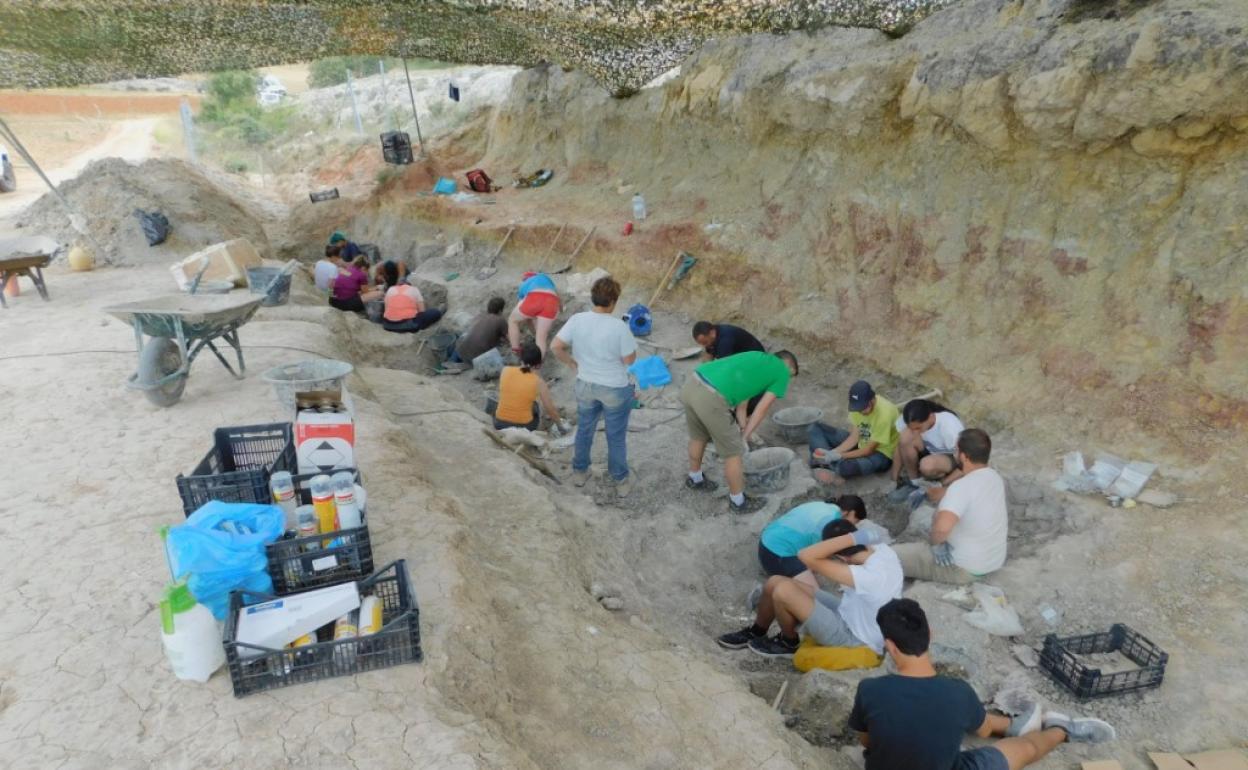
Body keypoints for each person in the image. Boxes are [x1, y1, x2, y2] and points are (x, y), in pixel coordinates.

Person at [848, 599, 1116, 770]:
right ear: (930, 635)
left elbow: (867, 739)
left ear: (890, 647)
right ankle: (1062, 730)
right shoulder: (957, 692)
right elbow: (985, 731)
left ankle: (1021, 726)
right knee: (1026, 750)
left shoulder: (870, 690)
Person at [717, 519, 902, 658]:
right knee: (775, 581)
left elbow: (805, 555)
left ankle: (788, 642)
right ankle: (756, 631)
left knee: (783, 591)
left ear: (842, 558)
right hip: (850, 613)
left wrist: (851, 538)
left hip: (855, 638)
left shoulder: (867, 577)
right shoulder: (882, 551)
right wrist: (855, 538)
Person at [682, 350, 798, 513]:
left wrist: (742, 426)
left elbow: (742, 402)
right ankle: (738, 502)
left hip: (692, 384)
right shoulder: (782, 372)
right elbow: (761, 410)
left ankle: (695, 479)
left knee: (698, 436)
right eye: (791, 376)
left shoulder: (756, 357)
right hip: (711, 398)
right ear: (790, 367)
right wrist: (744, 437)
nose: (788, 381)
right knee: (733, 454)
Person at [551, 276, 638, 495]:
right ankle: (620, 481)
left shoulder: (578, 319)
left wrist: (571, 362)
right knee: (616, 436)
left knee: (585, 429)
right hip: (614, 388)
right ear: (613, 301)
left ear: (593, 298)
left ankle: (580, 472)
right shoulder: (619, 327)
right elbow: (629, 360)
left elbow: (556, 346)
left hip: (586, 384)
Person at [891, 429, 1007, 584]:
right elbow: (960, 495)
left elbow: (941, 528)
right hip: (992, 561)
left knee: (888, 556)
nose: (954, 453)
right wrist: (927, 492)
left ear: (964, 457)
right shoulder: (993, 477)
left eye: (956, 450)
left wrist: (937, 545)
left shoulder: (960, 488)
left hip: (961, 568)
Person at [759, 495, 887, 588]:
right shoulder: (827, 522)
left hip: (767, 539)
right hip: (775, 554)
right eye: (856, 521)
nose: (854, 526)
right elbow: (816, 556)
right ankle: (762, 596)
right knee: (813, 593)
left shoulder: (828, 508)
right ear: (848, 513)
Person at [808, 380, 899, 486]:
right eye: (858, 409)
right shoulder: (857, 407)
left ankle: (824, 466)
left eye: (863, 409)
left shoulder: (885, 414)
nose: (860, 412)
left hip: (881, 454)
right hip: (861, 443)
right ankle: (826, 464)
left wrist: (840, 455)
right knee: (815, 428)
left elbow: (868, 450)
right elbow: (854, 437)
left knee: (846, 468)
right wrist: (833, 453)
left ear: (872, 400)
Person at [888, 399, 966, 503]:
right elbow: (900, 446)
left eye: (918, 428)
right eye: (912, 428)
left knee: (927, 465)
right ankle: (915, 482)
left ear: (930, 416)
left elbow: (967, 462)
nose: (915, 432)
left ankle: (934, 481)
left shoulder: (949, 426)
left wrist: (941, 484)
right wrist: (894, 479)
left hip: (950, 457)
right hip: (928, 451)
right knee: (905, 436)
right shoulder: (909, 418)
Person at [494, 343, 564, 431]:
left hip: (499, 423)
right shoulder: (538, 382)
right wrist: (560, 427)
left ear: (521, 358)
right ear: (539, 364)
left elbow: (519, 383)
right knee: (536, 406)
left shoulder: (505, 370)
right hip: (523, 427)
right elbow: (550, 409)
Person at [380, 262, 443, 333]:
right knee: (435, 312)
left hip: (387, 325)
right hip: (408, 325)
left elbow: (386, 310)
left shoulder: (390, 289)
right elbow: (421, 311)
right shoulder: (414, 289)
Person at [509, 271, 560, 355]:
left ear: (525, 279)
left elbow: (522, 303)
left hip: (535, 297)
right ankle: (538, 364)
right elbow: (557, 295)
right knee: (541, 338)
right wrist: (560, 309)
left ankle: (515, 349)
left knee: (513, 320)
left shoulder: (524, 284)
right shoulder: (545, 277)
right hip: (552, 301)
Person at [454, 297, 509, 364]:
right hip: (477, 359)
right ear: (500, 310)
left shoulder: (481, 316)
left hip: (461, 352)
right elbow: (509, 338)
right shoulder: (501, 320)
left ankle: (452, 360)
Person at [692, 320, 765, 361]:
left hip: (757, 358)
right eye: (702, 344)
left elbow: (724, 366)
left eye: (705, 342)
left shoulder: (725, 340)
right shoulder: (713, 333)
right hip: (742, 355)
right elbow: (709, 356)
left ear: (712, 333)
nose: (704, 346)